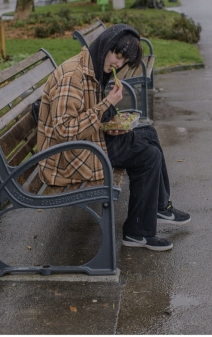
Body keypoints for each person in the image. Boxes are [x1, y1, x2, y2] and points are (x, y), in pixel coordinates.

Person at [36, 23, 190, 251]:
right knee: (149, 155)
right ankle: (141, 229)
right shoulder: (73, 76)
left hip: (84, 144)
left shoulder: (92, 66)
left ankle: (154, 212)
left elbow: (83, 116)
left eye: (123, 61)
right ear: (106, 45)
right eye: (117, 56)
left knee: (147, 132)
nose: (118, 64)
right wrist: (108, 103)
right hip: (66, 158)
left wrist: (110, 126)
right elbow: (64, 131)